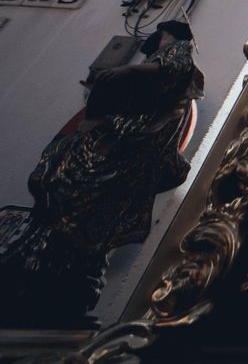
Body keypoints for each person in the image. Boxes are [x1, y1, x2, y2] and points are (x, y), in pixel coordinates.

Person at [0, 19, 204, 326]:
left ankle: (55, 277)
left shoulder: (177, 55)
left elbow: (170, 68)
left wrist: (125, 71)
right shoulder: (95, 142)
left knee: (78, 230)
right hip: (97, 166)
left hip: (110, 171)